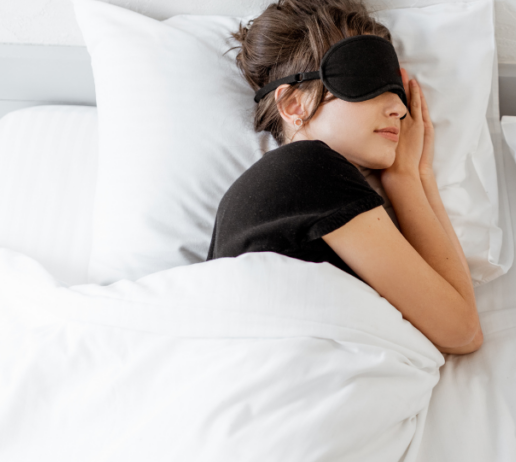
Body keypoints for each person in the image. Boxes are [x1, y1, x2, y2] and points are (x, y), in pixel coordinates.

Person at [206, 0, 483, 355]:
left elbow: (466, 331)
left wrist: (419, 173)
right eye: (367, 81)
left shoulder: (275, 187)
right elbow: (460, 331)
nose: (399, 109)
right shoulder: (308, 168)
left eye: (396, 90)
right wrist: (405, 179)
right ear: (293, 105)